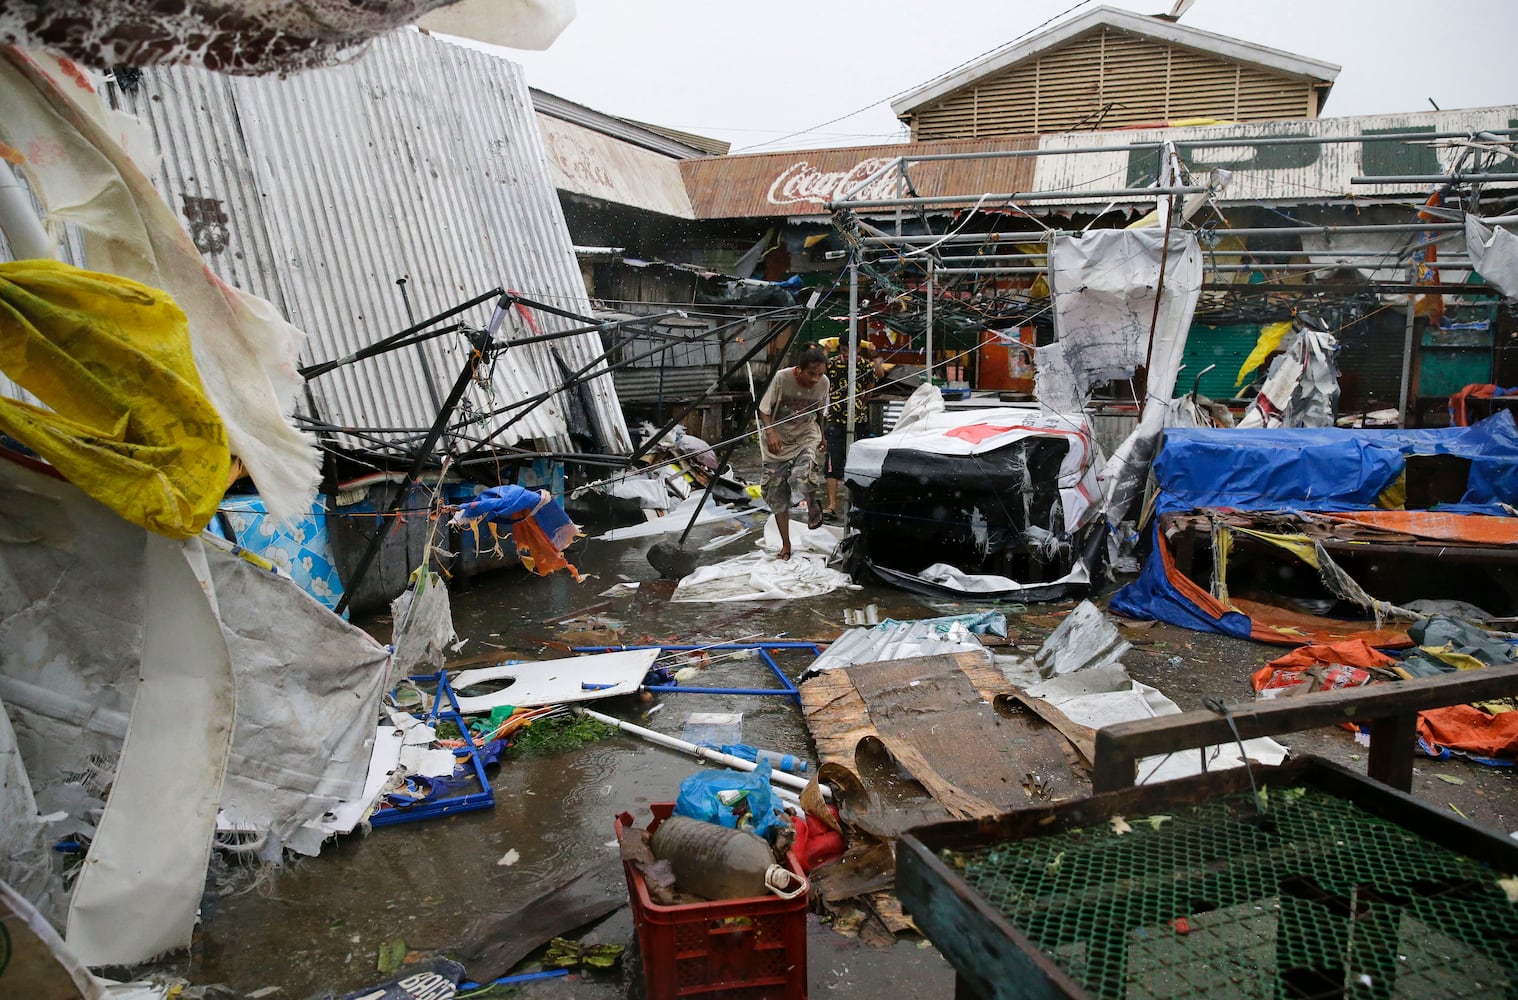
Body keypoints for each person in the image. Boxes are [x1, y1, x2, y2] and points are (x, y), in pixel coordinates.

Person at [758, 346, 829, 560]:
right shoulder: (782, 378)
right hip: (777, 439)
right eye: (811, 373)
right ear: (800, 369)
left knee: (802, 473)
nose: (816, 379)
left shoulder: (824, 383)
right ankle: (786, 545)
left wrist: (823, 436)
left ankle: (813, 505)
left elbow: (820, 412)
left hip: (806, 434)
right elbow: (764, 410)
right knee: (777, 495)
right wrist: (770, 433)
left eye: (820, 374)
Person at [822, 339, 884, 517]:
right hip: (835, 418)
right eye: (844, 349)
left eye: (851, 349)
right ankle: (832, 504)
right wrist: (825, 351)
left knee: (859, 461)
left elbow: (876, 378)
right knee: (833, 461)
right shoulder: (832, 364)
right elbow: (820, 371)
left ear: (858, 348)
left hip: (858, 419)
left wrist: (873, 354)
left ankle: (858, 503)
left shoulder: (865, 365)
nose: (847, 353)